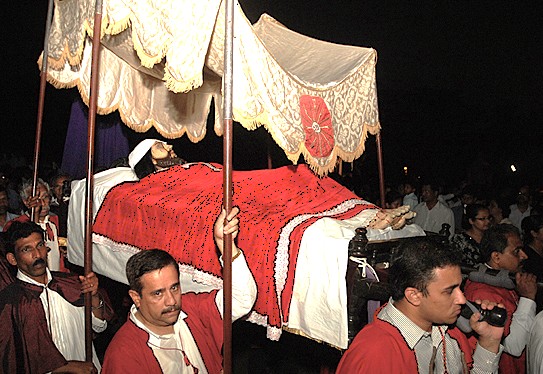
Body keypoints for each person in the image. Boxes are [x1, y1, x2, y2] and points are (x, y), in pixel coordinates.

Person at [101, 206, 257, 373]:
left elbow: (242, 299)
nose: (172, 301)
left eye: (174, 288)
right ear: (136, 297)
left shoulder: (190, 309)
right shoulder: (124, 355)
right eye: (158, 293)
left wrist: (225, 245)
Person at [336, 237, 504, 373]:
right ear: (414, 296)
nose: (461, 299)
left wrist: (489, 342)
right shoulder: (375, 353)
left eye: (460, 287)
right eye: (449, 291)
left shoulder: (448, 332)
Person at [0, 221, 113, 373]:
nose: (37, 254)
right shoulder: (10, 303)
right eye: (27, 249)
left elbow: (98, 326)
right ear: (12, 259)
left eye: (40, 245)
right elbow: (13, 362)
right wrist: (67, 367)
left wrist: (93, 297)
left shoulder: (71, 283)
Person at [463, 224, 537, 373]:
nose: (524, 256)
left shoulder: (502, 280)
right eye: (516, 252)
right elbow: (514, 346)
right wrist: (528, 298)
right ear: (496, 256)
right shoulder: (482, 293)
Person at [4, 178, 66, 272]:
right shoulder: (16, 225)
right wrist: (35, 214)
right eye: (37, 199)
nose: (42, 203)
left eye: (45, 197)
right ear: (26, 201)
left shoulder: (55, 221)